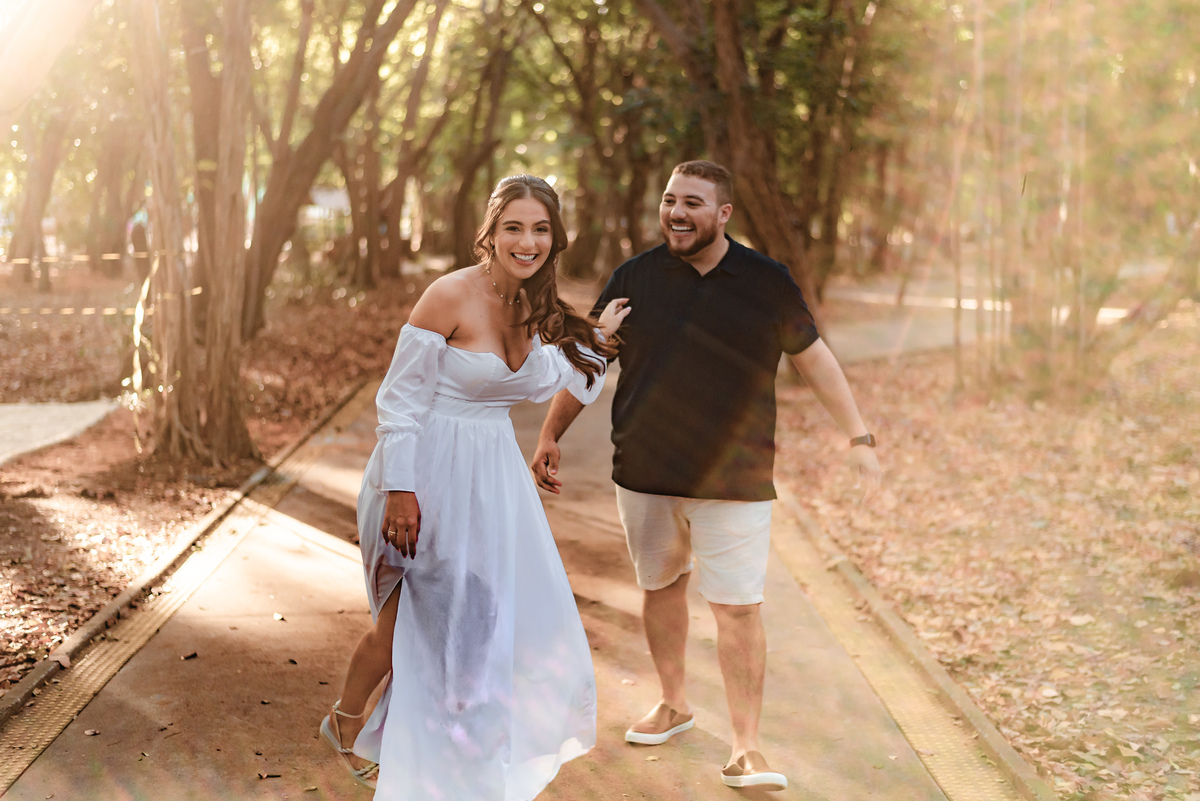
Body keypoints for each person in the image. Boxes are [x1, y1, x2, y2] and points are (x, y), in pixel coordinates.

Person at [530, 160, 881, 792]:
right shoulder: (633, 277)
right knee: (661, 587)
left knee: (738, 607)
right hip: (644, 472)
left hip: (736, 480)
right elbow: (590, 360)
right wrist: (551, 433)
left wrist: (858, 436)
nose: (677, 213)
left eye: (692, 203)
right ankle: (674, 703)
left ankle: (746, 745)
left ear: (722, 214)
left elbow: (814, 359)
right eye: (670, 200)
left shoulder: (766, 281)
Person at [321, 174, 631, 800]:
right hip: (422, 470)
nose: (528, 240)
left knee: (480, 618)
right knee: (414, 616)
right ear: (489, 233)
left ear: (554, 237)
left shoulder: (537, 309)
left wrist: (596, 338)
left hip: (490, 479)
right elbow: (400, 403)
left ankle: (453, 756)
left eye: (540, 228)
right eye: (513, 227)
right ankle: (356, 725)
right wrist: (404, 491)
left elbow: (548, 379)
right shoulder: (448, 296)